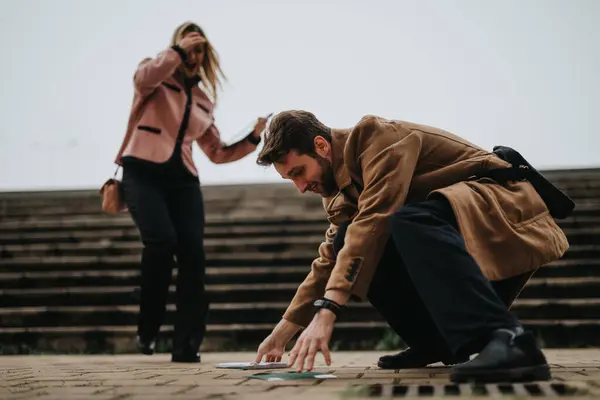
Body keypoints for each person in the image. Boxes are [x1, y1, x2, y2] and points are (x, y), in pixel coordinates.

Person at [252, 110, 573, 383]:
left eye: (299, 172)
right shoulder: (338, 193)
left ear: (321, 146)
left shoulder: (374, 138)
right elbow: (330, 261)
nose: (300, 187)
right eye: (289, 179)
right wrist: (282, 334)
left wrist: (328, 310)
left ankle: (510, 340)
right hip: (452, 230)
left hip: (501, 210)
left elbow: (377, 218)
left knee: (397, 222)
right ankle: (435, 342)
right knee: (345, 240)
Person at [114, 21, 268, 363]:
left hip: (182, 180)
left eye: (200, 51)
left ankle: (186, 345)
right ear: (178, 47)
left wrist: (254, 137)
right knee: (161, 242)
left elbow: (217, 152)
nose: (194, 56)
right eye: (190, 49)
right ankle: (148, 328)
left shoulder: (203, 100)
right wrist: (177, 52)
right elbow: (142, 79)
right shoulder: (153, 75)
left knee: (193, 257)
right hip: (141, 171)